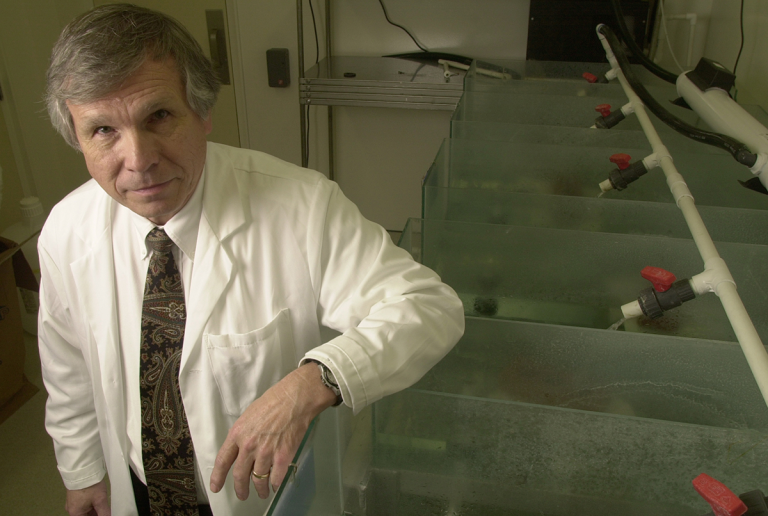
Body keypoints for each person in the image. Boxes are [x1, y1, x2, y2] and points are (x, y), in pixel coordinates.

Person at [39, 4, 464, 516]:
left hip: (264, 499)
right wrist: (81, 472)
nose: (138, 159)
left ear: (202, 112)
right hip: (140, 489)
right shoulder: (67, 231)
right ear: (77, 137)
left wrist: (314, 381)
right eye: (103, 130)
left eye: (159, 116)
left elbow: (429, 308)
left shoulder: (301, 206)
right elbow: (68, 366)